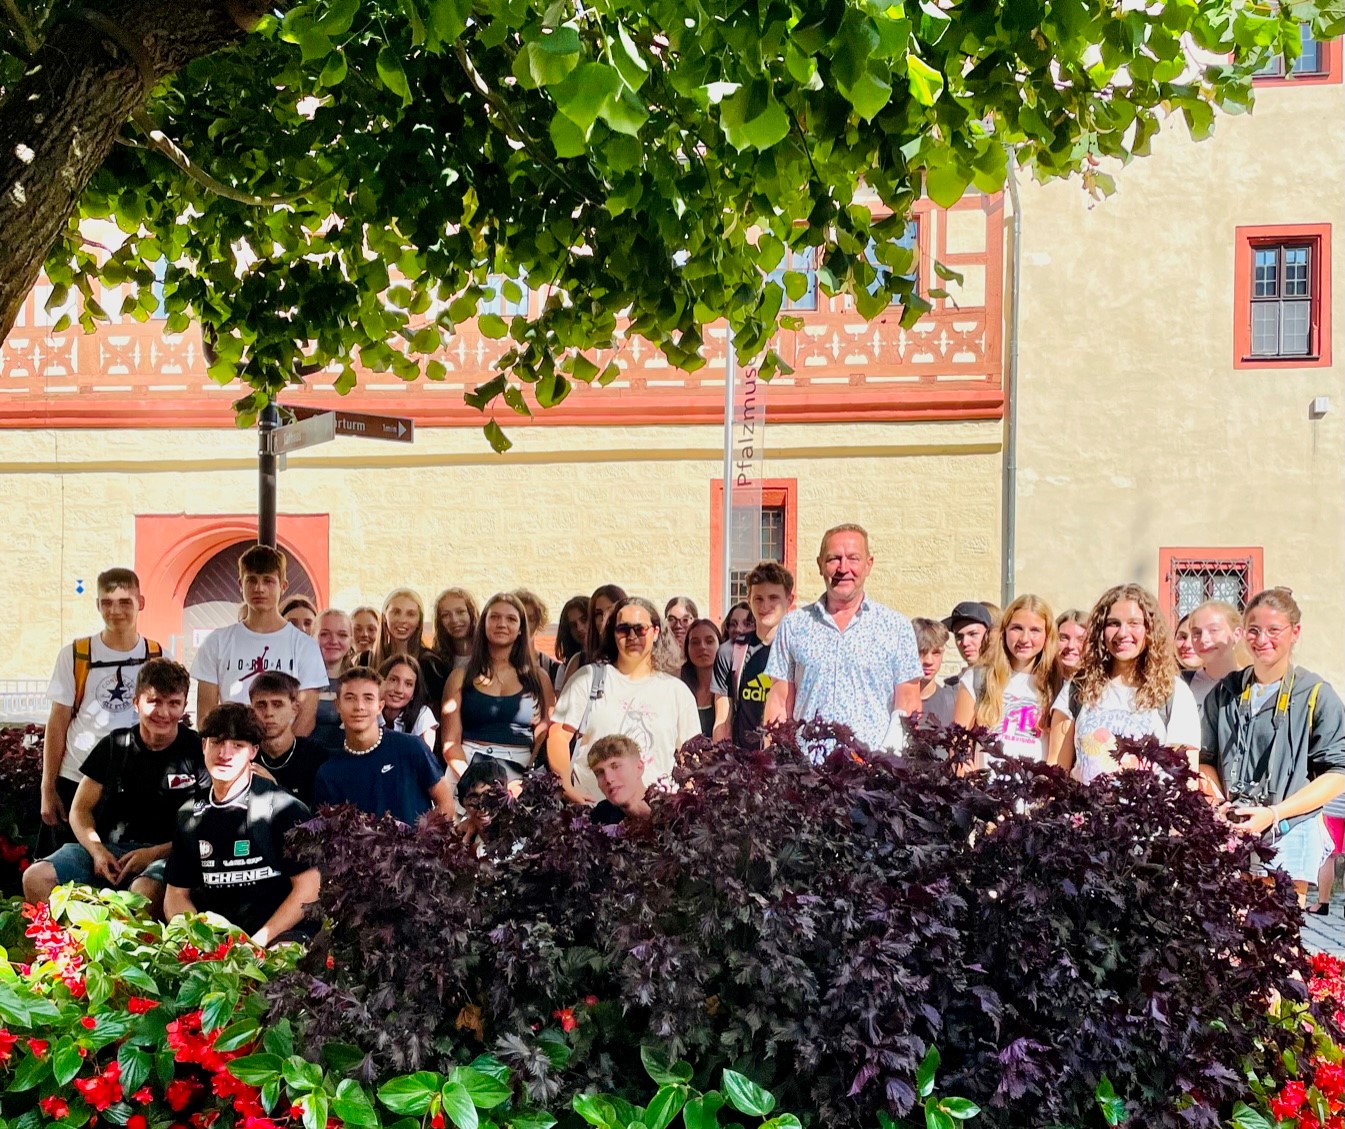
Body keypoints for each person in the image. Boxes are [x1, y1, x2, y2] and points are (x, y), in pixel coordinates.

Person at [1198, 587, 1345, 902]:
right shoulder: (1225, 692)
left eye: (1274, 630)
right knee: (1227, 935)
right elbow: (1203, 759)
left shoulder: (1317, 695)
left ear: (1295, 633)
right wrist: (1222, 806)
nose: (1262, 639)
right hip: (1231, 831)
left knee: (1276, 937)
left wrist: (1276, 813)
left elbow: (1337, 773)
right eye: (1254, 630)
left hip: (1290, 833)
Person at [23, 658, 203, 915]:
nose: (163, 713)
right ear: (136, 702)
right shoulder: (114, 745)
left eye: (173, 703)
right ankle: (69, 950)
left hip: (170, 853)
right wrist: (97, 851)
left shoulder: (198, 750)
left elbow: (208, 822)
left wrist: (153, 853)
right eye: (154, 702)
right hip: (110, 852)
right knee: (36, 877)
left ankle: (133, 955)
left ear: (184, 706)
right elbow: (80, 810)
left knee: (143, 894)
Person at [164, 703, 320, 946]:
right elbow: (175, 894)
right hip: (216, 942)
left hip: (280, 936)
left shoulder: (284, 808)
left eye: (238, 745)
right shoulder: (189, 814)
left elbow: (309, 889)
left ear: (253, 751)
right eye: (216, 742)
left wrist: (257, 943)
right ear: (204, 745)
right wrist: (201, 941)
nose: (225, 754)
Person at [764, 525, 922, 752]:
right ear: (820, 565)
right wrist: (774, 763)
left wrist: (888, 765)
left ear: (869, 564)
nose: (843, 568)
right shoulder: (794, 625)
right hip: (807, 773)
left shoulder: (896, 627)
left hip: (873, 777)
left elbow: (908, 704)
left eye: (853, 558)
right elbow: (779, 701)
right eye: (834, 559)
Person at [41, 568, 163, 851]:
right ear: (97, 605)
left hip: (133, 783)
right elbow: (57, 722)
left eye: (125, 602)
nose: (115, 610)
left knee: (123, 870)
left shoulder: (156, 656)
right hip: (75, 776)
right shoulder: (76, 654)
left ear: (140, 603)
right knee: (65, 871)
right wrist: (48, 788)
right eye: (107, 602)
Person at [548, 597, 700, 804]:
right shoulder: (588, 679)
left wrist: (683, 804)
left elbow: (691, 757)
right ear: (613, 634)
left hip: (654, 816)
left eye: (640, 629)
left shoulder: (676, 692)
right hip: (594, 814)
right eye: (623, 629)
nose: (632, 636)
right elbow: (558, 735)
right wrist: (566, 787)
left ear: (655, 632)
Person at [1048, 583, 1201, 782]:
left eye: (1134, 623)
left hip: (1153, 811)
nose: (1122, 633)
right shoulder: (1077, 688)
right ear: (1100, 631)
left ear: (1149, 630)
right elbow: (1055, 770)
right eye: (1113, 623)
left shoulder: (1174, 692)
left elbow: (1186, 778)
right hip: (1085, 810)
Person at [191, 545, 327, 735]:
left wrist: (280, 755)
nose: (259, 588)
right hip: (233, 750)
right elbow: (206, 715)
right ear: (241, 584)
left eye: (268, 581)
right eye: (252, 580)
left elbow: (305, 717)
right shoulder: (217, 642)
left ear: (283, 586)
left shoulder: (305, 646)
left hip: (284, 756)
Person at [313, 667, 456, 822]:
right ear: (338, 705)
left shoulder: (411, 748)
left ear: (380, 706)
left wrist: (424, 840)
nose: (359, 706)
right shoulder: (329, 773)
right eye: (350, 698)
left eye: (368, 698)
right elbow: (328, 832)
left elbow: (446, 803)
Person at [442, 593, 554, 780]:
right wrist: (471, 782)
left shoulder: (539, 678)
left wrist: (526, 779)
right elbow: (450, 743)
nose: (502, 624)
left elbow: (545, 734)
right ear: (483, 624)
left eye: (511, 619)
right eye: (494, 617)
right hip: (466, 770)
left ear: (520, 629)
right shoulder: (460, 676)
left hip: (521, 774)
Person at [953, 595, 1059, 764]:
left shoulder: (1057, 686)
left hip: (1033, 788)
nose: (1024, 639)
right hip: (984, 788)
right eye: (1016, 628)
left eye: (1035, 630)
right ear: (1004, 630)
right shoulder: (978, 678)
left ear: (1047, 635)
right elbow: (958, 745)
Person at [712, 562, 795, 747]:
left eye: (773, 598)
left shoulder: (799, 653)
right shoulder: (730, 651)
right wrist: (721, 763)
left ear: (789, 600)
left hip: (787, 762)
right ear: (748, 598)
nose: (765, 606)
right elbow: (723, 719)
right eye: (758, 598)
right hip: (744, 762)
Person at [247, 671, 330, 805]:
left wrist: (275, 790)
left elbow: (318, 819)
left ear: (295, 709)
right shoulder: (243, 757)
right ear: (251, 711)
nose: (269, 713)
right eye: (261, 705)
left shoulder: (317, 758)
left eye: (277, 704)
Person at [561, 584, 627, 686]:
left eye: (611, 611)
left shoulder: (637, 657)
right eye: (598, 614)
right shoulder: (579, 661)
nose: (604, 619)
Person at [1187, 600, 1246, 708]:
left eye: (1213, 630)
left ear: (1236, 634)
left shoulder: (1251, 683)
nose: (1203, 639)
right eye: (1197, 633)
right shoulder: (1183, 683)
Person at [313, 608, 354, 754]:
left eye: (342, 635)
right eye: (324, 634)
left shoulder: (358, 682)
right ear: (313, 637)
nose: (333, 641)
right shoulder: (297, 681)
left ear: (351, 640)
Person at [587, 734, 652, 825]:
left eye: (615, 767)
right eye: (600, 773)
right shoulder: (601, 816)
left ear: (639, 767)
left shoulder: (672, 810)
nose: (608, 779)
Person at [378, 655, 438, 752]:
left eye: (408, 684)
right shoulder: (365, 711)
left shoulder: (423, 715)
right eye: (393, 680)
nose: (399, 690)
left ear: (414, 693)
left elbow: (423, 761)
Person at [513, 588, 563, 690]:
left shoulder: (550, 667)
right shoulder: (493, 663)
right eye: (520, 618)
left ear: (538, 623)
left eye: (531, 619)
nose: (525, 624)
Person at [680, 619, 723, 738]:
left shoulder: (730, 687)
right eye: (695, 642)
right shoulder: (678, 688)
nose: (702, 647)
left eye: (709, 641)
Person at [911, 618, 956, 726]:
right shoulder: (891, 701)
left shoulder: (953, 702)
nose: (928, 661)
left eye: (936, 652)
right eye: (921, 652)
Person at [431, 588, 479, 673]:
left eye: (460, 612)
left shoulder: (490, 655)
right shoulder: (435, 663)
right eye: (446, 615)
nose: (454, 620)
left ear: (471, 614)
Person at [943, 601, 994, 672]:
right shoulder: (958, 681)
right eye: (958, 636)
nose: (965, 643)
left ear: (989, 634)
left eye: (973, 634)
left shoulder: (1009, 679)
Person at [553, 596, 589, 692]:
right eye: (573, 625)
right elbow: (562, 705)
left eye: (584, 619)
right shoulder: (564, 670)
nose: (579, 628)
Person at [1055, 609, 1088, 678]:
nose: (1070, 646)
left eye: (1081, 639)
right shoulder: (1038, 681)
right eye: (1064, 638)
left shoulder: (1104, 686)